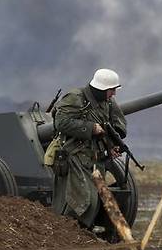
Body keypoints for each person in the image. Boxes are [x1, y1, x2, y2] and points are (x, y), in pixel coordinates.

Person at [50, 69, 126, 231]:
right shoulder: (75, 98)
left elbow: (118, 123)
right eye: (111, 90)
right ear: (102, 89)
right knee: (84, 201)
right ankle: (66, 233)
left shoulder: (109, 103)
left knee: (96, 202)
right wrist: (90, 128)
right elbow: (61, 123)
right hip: (75, 156)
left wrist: (113, 143)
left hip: (95, 157)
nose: (113, 94)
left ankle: (80, 234)